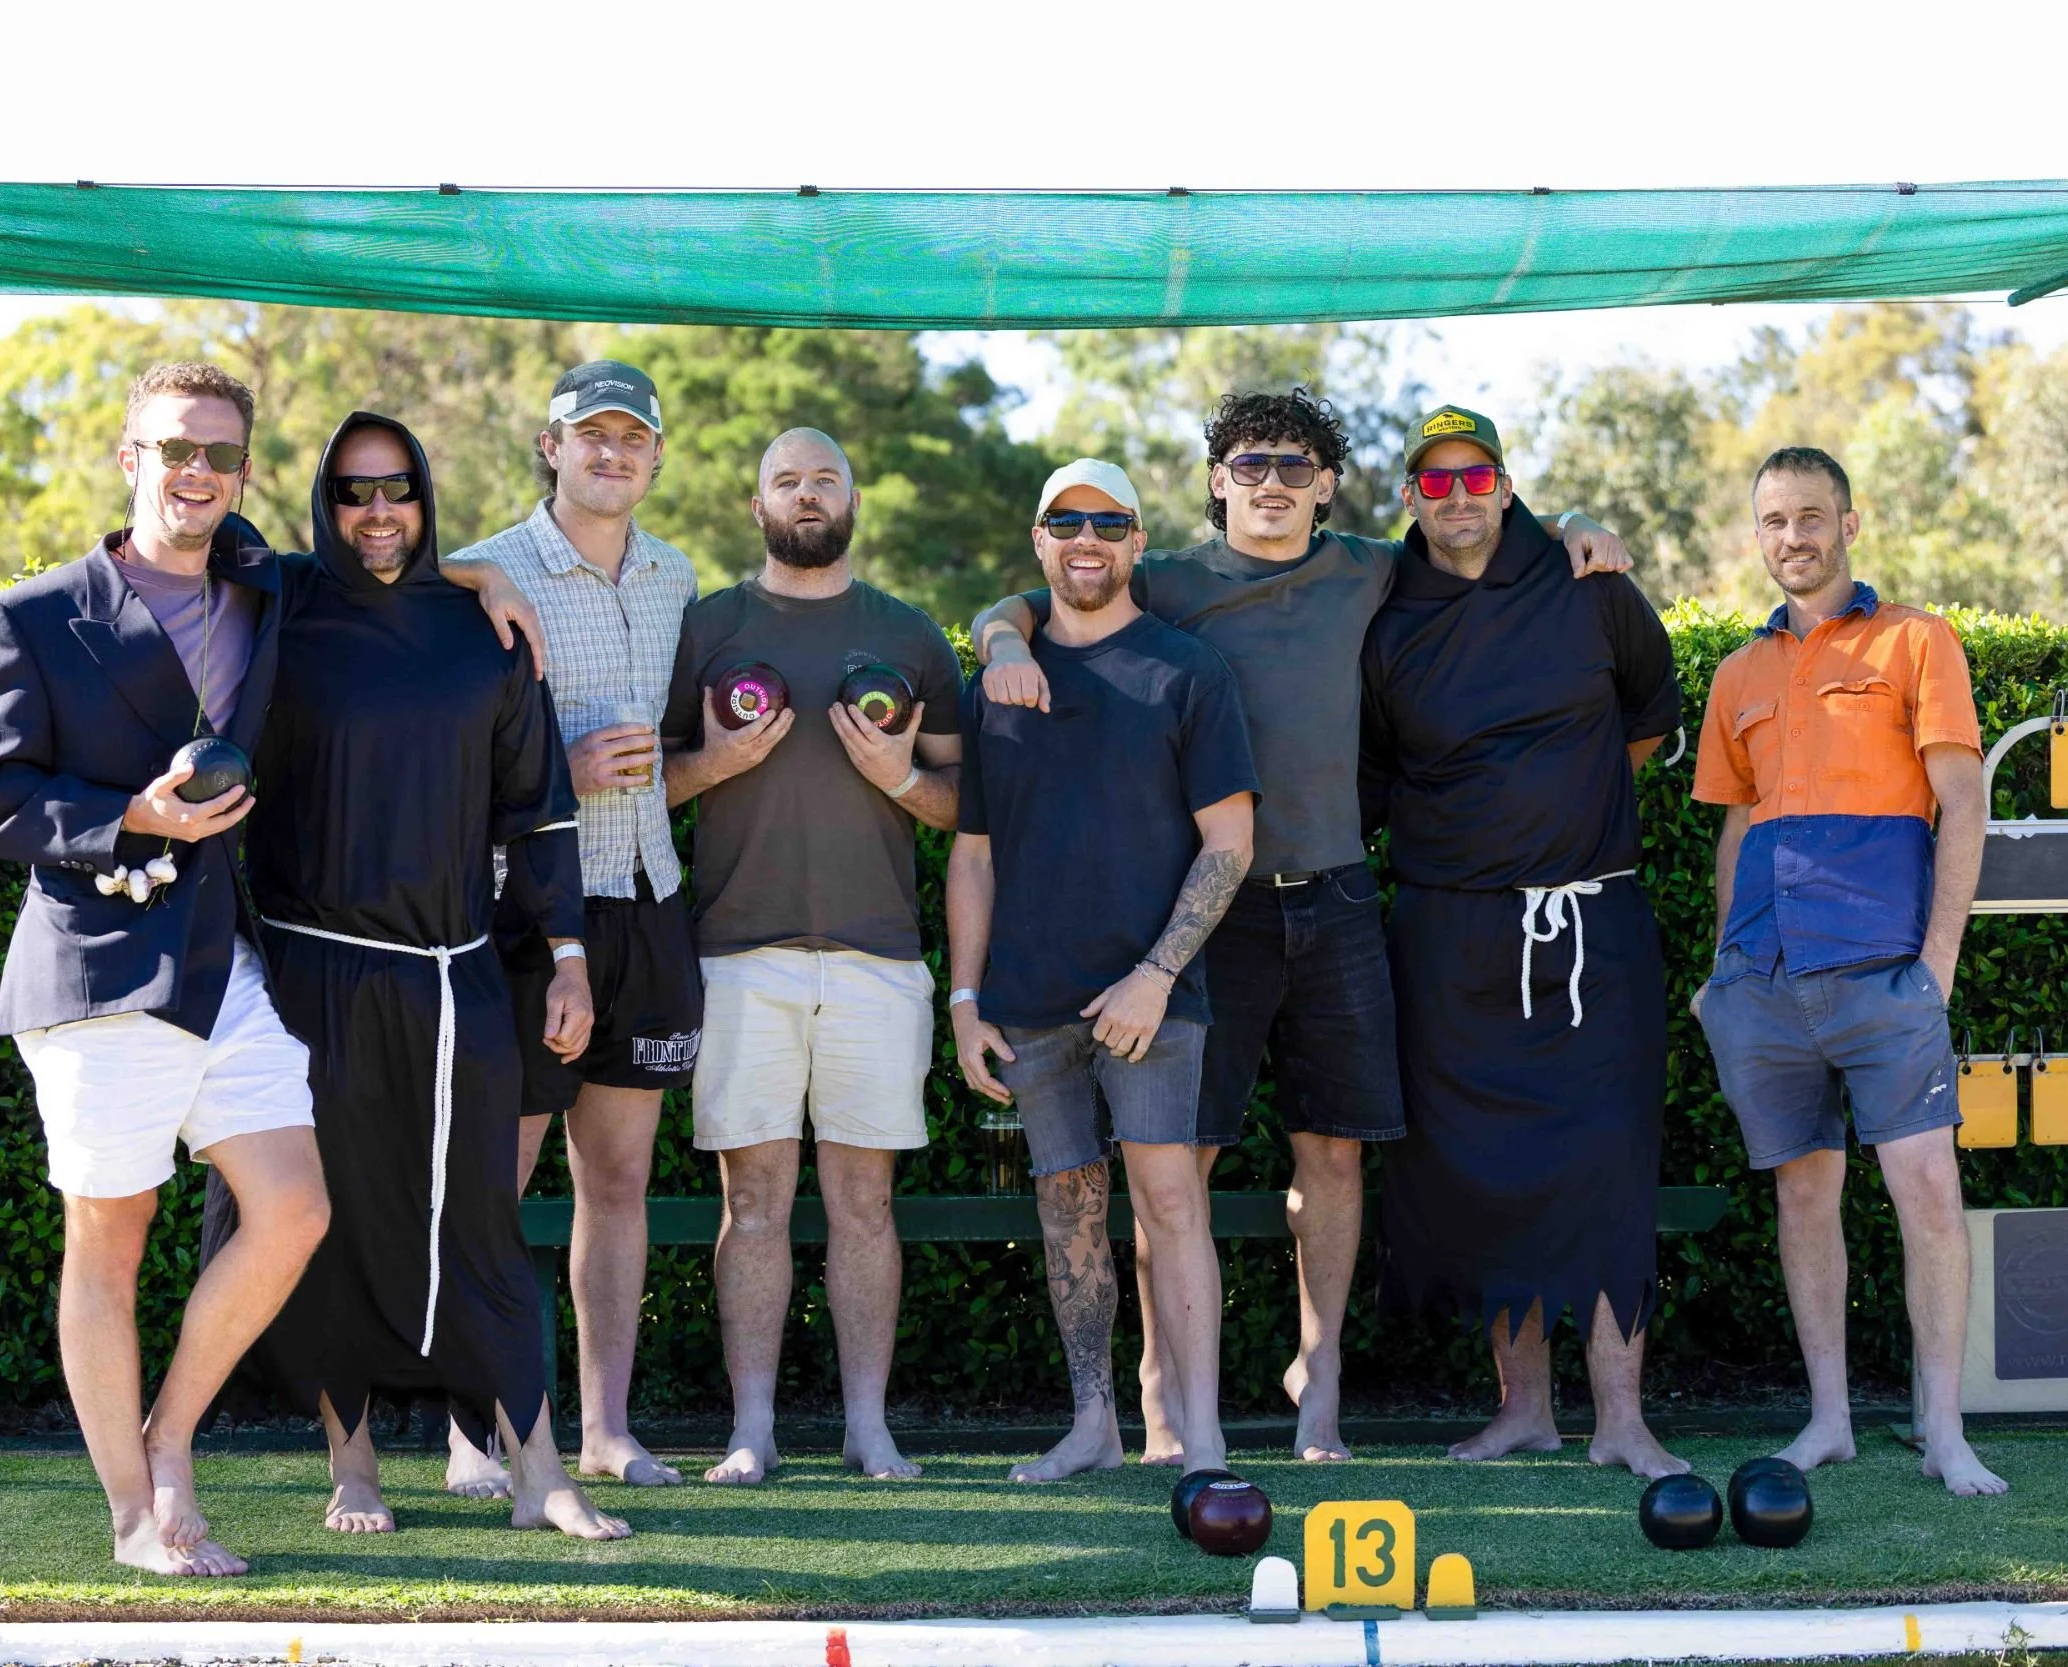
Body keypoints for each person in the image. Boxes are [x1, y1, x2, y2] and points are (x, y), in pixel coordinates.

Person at [969, 389, 1633, 1464]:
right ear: (1217, 480)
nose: (1270, 481)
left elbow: (1474, 528)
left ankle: (1315, 1386)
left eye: (1292, 464)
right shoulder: (1168, 580)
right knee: (1172, 1161)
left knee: (1331, 1153)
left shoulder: (1369, 566)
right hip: (1203, 917)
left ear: (1326, 483)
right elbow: (1033, 591)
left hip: (1335, 899)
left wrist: (1570, 527)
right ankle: (1159, 1399)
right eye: (1248, 462)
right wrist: (1000, 632)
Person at [0, 361, 332, 1578]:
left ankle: (168, 1438)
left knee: (296, 1207)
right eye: (172, 448)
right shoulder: (35, 615)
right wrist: (136, 818)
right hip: (97, 964)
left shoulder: (266, 591)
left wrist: (476, 576)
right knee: (110, 1242)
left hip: (224, 960)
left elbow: (383, 574)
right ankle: (131, 1514)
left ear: (243, 472)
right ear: (130, 459)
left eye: (217, 451)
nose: (194, 470)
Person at [225, 411, 623, 1539]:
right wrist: (481, 559)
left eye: (397, 488)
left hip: (458, 978)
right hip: (313, 976)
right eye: (352, 492)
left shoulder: (485, 632)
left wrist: (571, 958)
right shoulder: (285, 607)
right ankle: (351, 1463)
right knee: (330, 1221)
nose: (377, 510)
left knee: (484, 1223)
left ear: (425, 493)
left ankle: (541, 1469)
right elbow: (197, 536)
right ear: (323, 502)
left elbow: (540, 811)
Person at [1360, 403, 1687, 1479]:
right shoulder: (1384, 616)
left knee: (1604, 1168)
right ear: (1413, 497)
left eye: (1475, 477)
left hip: (1593, 923)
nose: (1456, 498)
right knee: (1481, 1172)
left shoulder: (1589, 583)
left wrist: (1557, 822)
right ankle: (1525, 1410)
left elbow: (1649, 717)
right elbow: (1372, 774)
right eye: (1434, 482)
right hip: (1449, 936)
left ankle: (1623, 1421)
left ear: (1506, 484)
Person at [1690, 445, 2006, 1497]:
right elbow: (1737, 826)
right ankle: (1827, 1419)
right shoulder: (1736, 672)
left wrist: (1939, 962)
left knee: (1925, 1190)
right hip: (1765, 985)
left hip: (1885, 978)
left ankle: (1943, 1431)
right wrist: (1719, 970)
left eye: (1811, 516)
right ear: (1757, 532)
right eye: (1774, 519)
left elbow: (1961, 801)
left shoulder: (1917, 640)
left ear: (1849, 522)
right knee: (1803, 1194)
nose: (1793, 537)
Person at [660, 426, 965, 1484]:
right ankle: (752, 1427)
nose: (805, 493)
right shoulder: (705, 628)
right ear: (756, 502)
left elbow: (966, 804)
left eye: (823, 477)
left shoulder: (910, 633)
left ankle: (867, 1425)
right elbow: (641, 785)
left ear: (853, 497)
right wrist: (716, 760)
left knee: (865, 1203)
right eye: (785, 479)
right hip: (739, 956)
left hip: (879, 960)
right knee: (750, 1201)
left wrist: (897, 779)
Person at [948, 459, 1259, 1485]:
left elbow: (1229, 843)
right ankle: (1092, 1423)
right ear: (1037, 541)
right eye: (1064, 520)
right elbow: (973, 853)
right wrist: (963, 999)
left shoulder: (1187, 670)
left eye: (1108, 521)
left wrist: (1156, 973)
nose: (1086, 537)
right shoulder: (994, 680)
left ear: (1137, 542)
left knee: (1170, 1200)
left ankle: (1201, 1438)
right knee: (1065, 1209)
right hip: (1029, 1000)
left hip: (1152, 998)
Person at [443, 361, 700, 1492]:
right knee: (494, 1178)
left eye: (630, 438)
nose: (611, 453)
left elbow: (678, 751)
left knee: (619, 1179)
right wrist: (565, 767)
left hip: (646, 899)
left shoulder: (676, 574)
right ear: (550, 446)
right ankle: (473, 1432)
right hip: (526, 908)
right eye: (588, 435)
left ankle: (603, 1429)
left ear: (655, 454)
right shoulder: (488, 573)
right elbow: (444, 751)